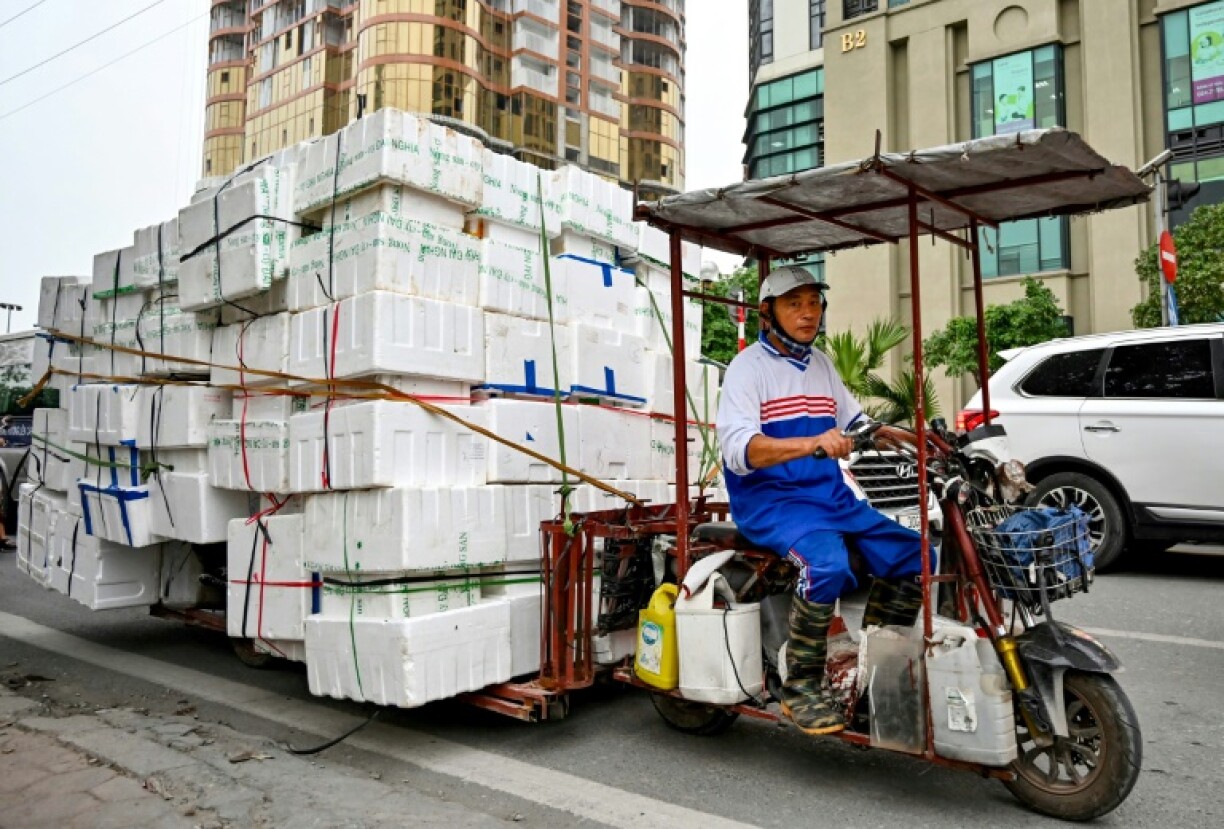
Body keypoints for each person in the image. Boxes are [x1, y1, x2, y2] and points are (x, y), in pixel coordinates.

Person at [716, 265, 926, 736]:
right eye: (795, 304)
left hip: (829, 498)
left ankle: (876, 666)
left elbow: (855, 425)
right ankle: (802, 686)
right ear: (767, 313)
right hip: (773, 502)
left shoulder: (821, 365)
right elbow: (739, 449)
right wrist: (809, 443)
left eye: (814, 303)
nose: (808, 313)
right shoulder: (747, 369)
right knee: (826, 566)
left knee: (919, 553)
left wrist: (912, 437)